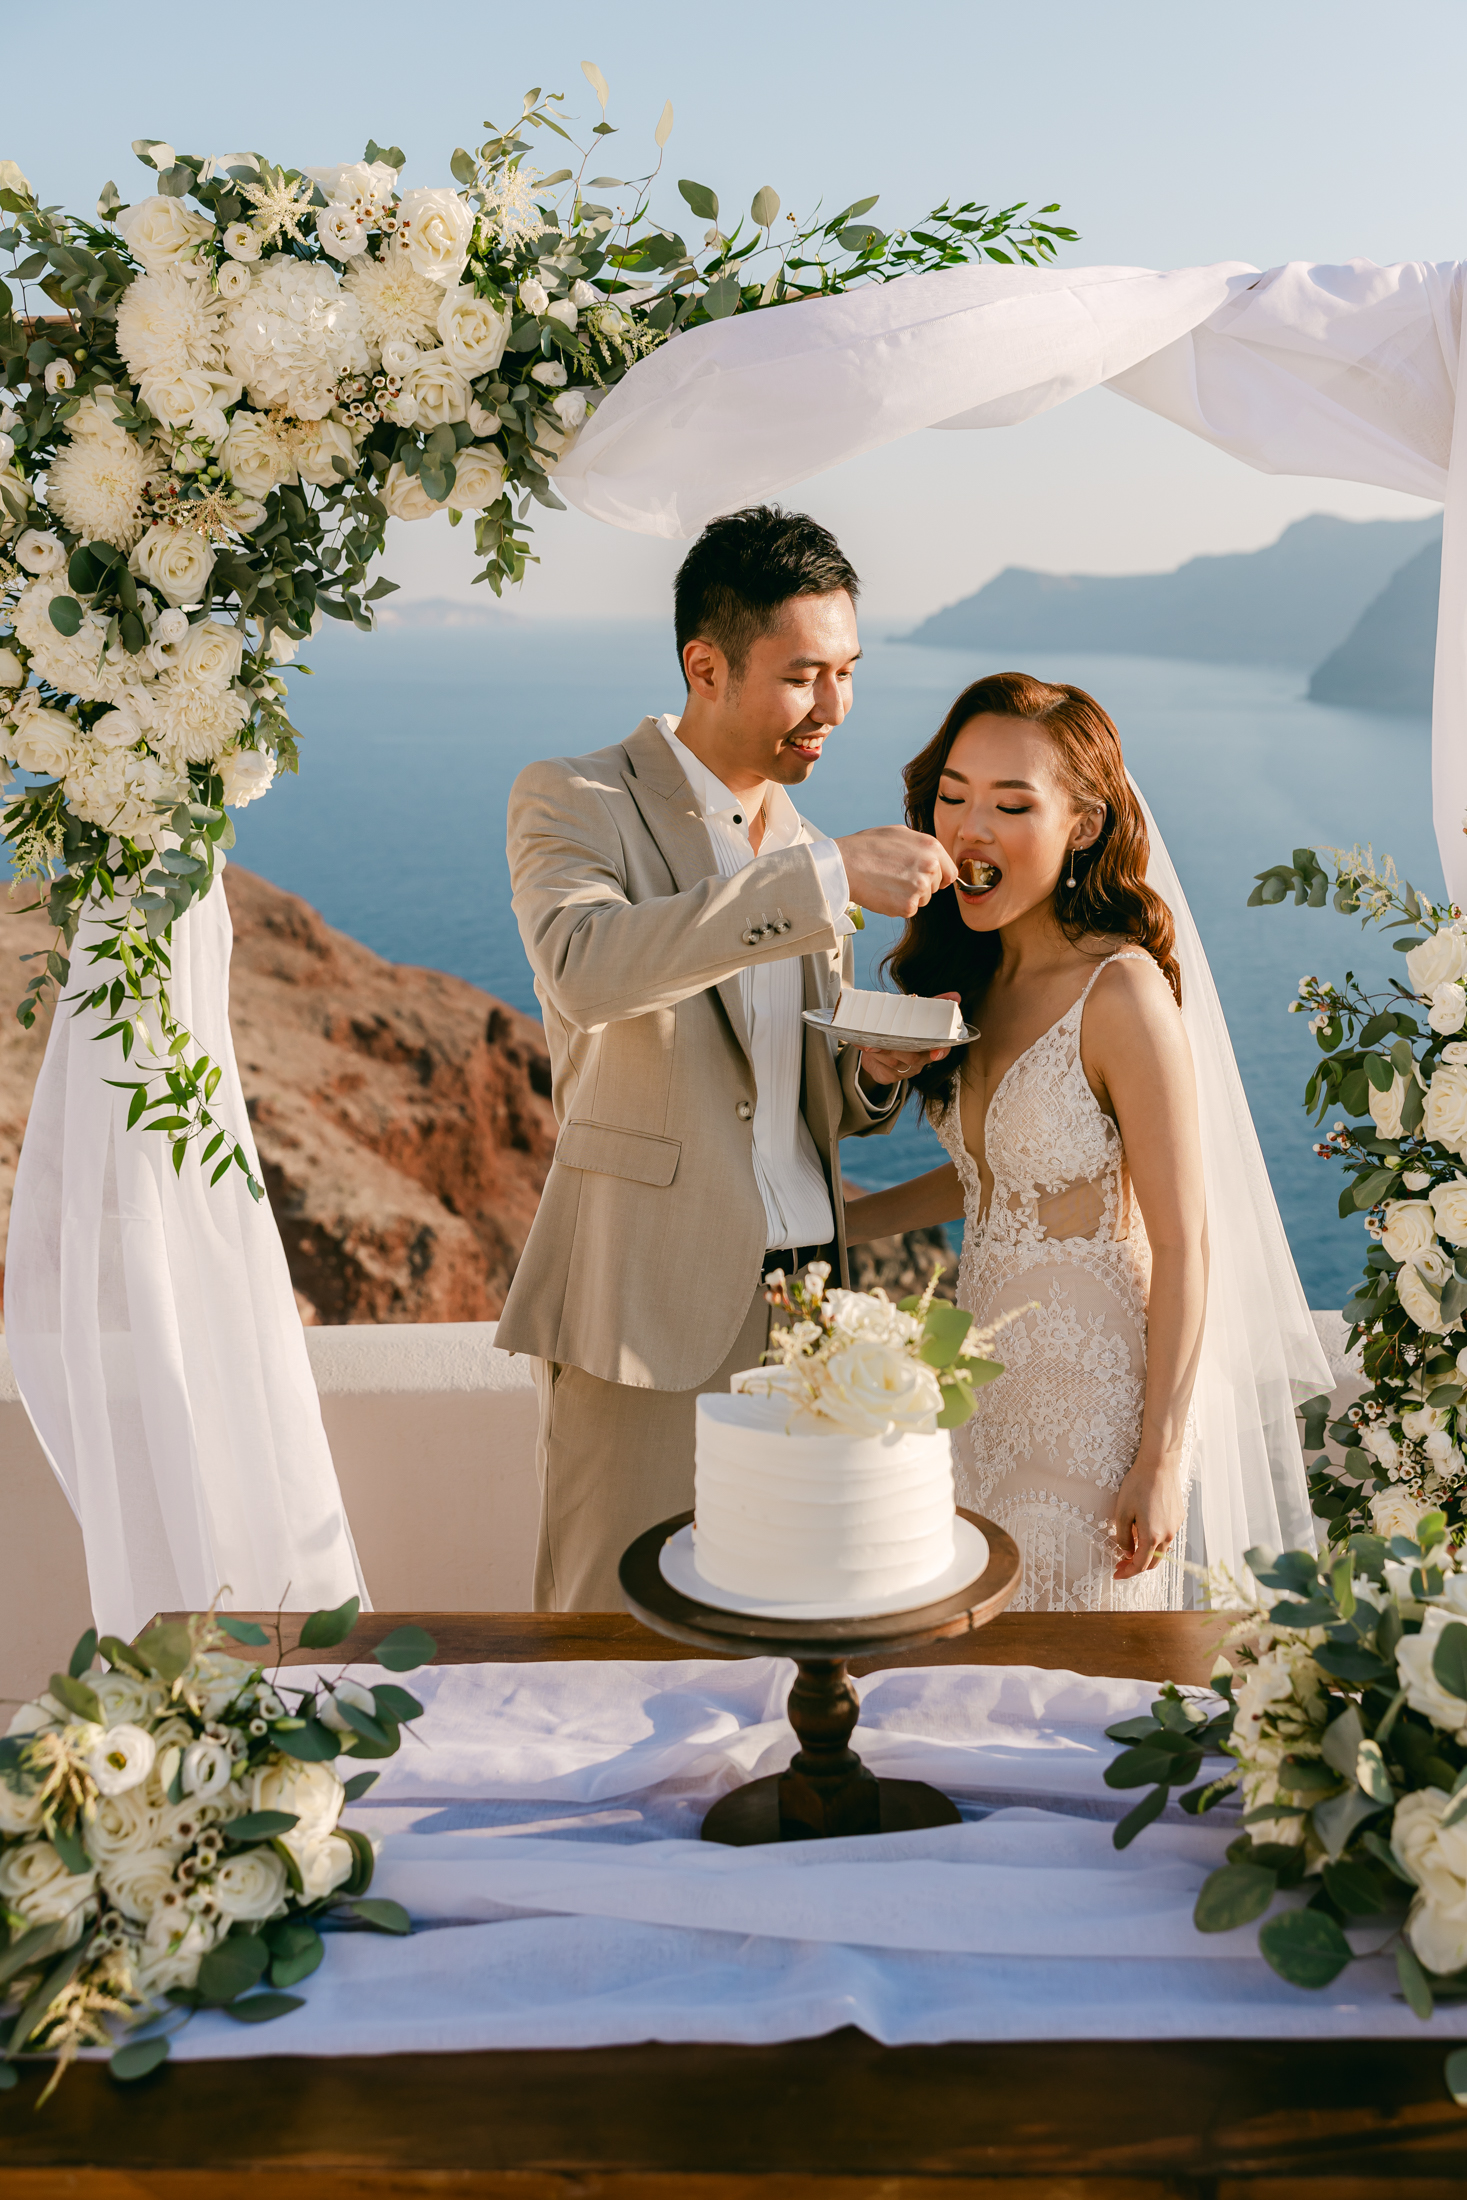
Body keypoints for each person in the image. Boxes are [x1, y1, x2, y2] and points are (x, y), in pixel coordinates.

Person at [497, 506, 957, 1610]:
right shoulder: (576, 797)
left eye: (847, 673)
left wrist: (869, 1072)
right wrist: (826, 880)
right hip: (644, 1297)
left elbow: (794, 1095)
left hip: (809, 1304)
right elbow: (585, 969)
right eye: (803, 677)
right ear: (705, 667)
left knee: (787, 1616)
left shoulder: (804, 847)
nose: (834, 709)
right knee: (610, 1620)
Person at [844, 673, 1207, 1610]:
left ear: (1082, 826)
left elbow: (1184, 1245)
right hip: (981, 1395)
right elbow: (991, 1178)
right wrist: (834, 1227)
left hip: (1092, 1411)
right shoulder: (974, 977)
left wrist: (1158, 1459)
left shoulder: (1120, 993)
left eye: (1010, 805)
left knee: (1070, 1670)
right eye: (952, 796)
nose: (970, 829)